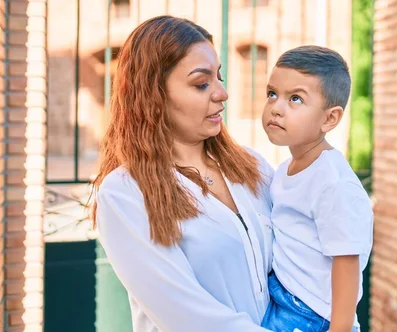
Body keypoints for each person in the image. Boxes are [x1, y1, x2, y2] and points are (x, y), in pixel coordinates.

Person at [90, 16, 274, 332]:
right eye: (201, 83)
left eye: (220, 77)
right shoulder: (125, 193)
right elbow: (189, 318)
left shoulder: (253, 168)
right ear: (154, 95)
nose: (221, 93)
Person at [260, 45, 374, 332]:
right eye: (272, 93)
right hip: (282, 298)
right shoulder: (286, 169)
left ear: (329, 118)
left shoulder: (333, 183)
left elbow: (347, 263)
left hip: (311, 316)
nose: (276, 107)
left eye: (295, 98)